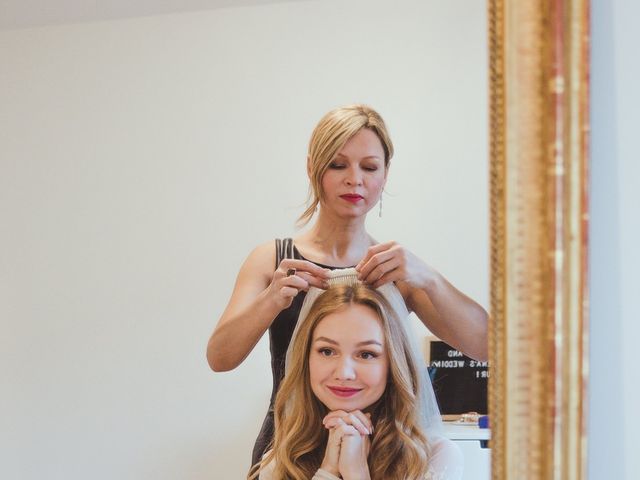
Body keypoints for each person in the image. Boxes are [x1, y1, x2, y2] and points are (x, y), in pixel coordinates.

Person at [206, 104, 488, 465]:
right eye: (338, 165)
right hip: (289, 450)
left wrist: (429, 279)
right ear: (313, 168)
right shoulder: (271, 260)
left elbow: (486, 346)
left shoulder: (396, 271)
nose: (354, 179)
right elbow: (220, 357)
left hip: (379, 453)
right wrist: (272, 300)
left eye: (369, 167)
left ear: (385, 175)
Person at [249, 278, 463, 480]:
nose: (344, 373)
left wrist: (357, 473)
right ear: (306, 358)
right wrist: (328, 471)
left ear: (393, 363)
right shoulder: (282, 461)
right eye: (327, 351)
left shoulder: (435, 457)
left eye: (366, 354)